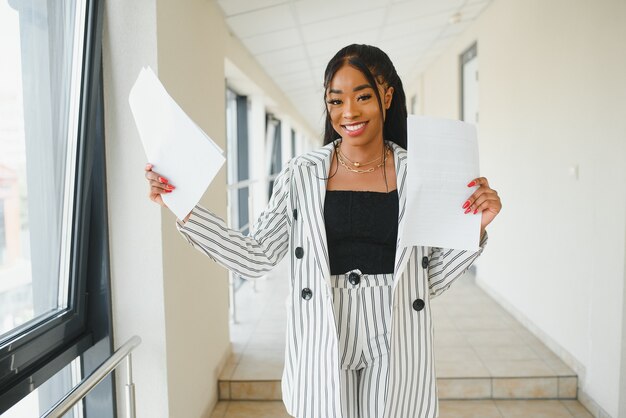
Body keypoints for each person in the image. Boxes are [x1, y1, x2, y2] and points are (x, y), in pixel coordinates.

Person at [144, 44, 502, 418]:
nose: (348, 112)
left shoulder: (419, 173)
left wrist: (473, 229)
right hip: (324, 320)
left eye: (362, 96)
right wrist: (186, 210)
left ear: (387, 95)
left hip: (393, 322)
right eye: (335, 101)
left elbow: (427, 281)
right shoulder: (302, 172)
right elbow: (256, 256)